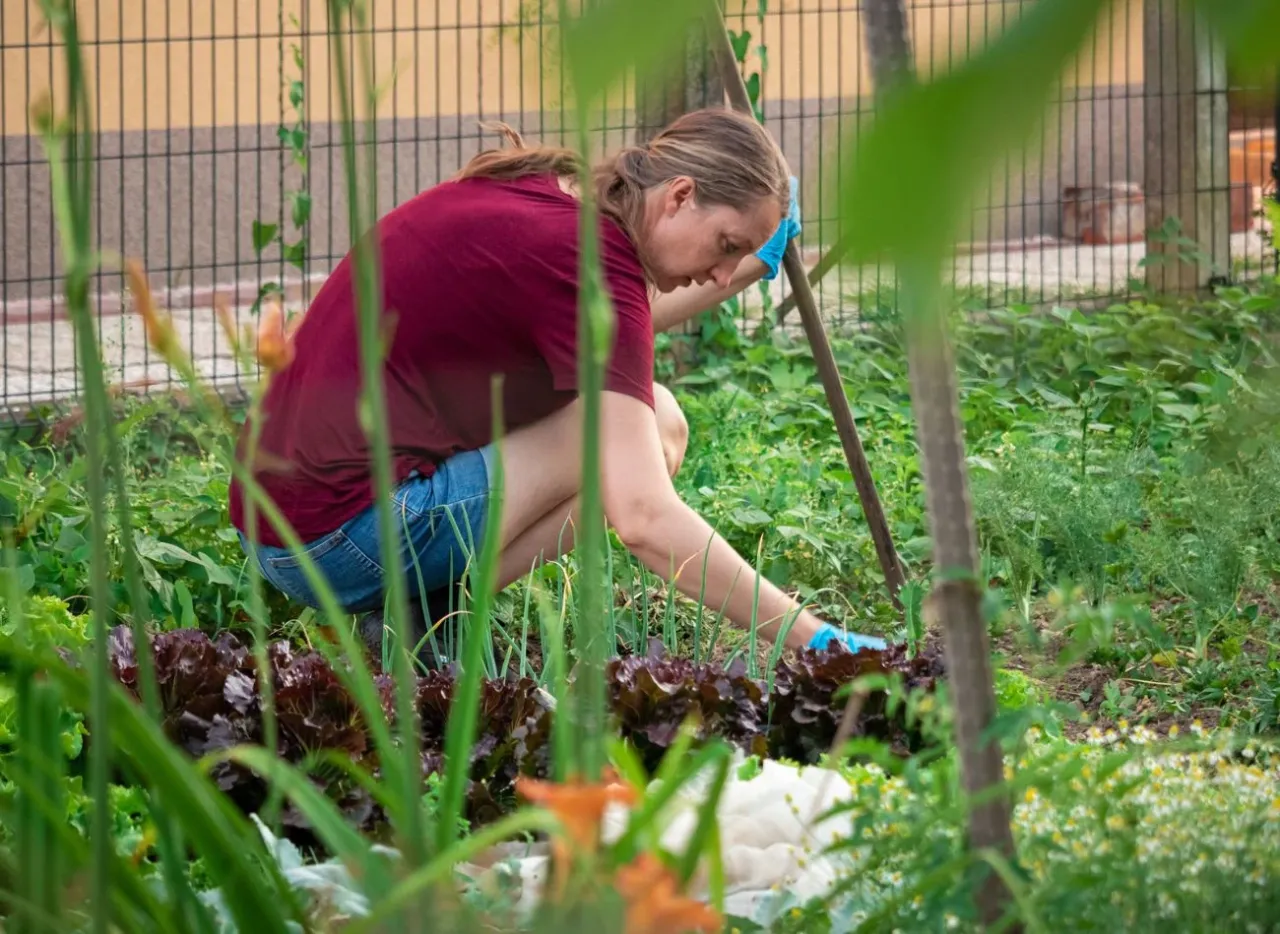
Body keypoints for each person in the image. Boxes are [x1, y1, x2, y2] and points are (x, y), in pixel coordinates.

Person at [228, 107, 887, 666]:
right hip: (343, 539)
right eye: (724, 244)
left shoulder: (560, 206)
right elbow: (644, 518)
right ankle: (420, 612)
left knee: (642, 418)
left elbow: (604, 337)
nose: (720, 270)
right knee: (652, 427)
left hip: (291, 524)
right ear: (680, 196)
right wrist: (816, 639)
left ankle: (418, 611)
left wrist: (742, 272)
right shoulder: (590, 264)